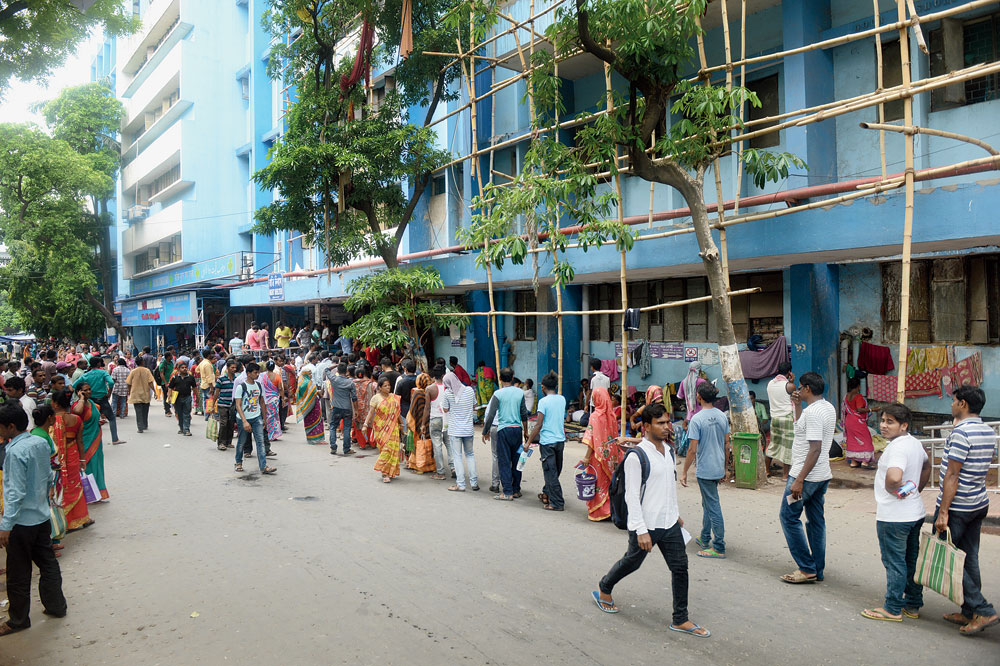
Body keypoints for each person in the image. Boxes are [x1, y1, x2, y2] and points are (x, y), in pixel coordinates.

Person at [593, 403, 709, 638]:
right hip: (646, 525)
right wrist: (641, 530)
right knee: (632, 562)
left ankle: (680, 619)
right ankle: (604, 588)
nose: (667, 427)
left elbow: (667, 486)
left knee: (680, 568)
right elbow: (631, 496)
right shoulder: (637, 457)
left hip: (668, 523)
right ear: (646, 427)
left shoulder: (668, 450)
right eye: (660, 423)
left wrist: (674, 513)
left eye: (667, 422)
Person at [932, 385, 998, 635]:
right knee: (969, 558)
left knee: (947, 559)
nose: (951, 404)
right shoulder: (987, 430)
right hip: (978, 502)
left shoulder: (960, 433)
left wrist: (943, 512)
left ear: (963, 405)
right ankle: (969, 611)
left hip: (958, 506)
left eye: (954, 400)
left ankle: (983, 610)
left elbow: (952, 475)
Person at [0, 403, 67, 636]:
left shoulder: (15, 451)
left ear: (10, 426)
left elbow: (15, 492)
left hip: (21, 521)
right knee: (48, 563)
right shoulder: (39, 442)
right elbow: (49, 474)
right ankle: (56, 605)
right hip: (40, 516)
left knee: (18, 573)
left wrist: (5, 525)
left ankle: (18, 620)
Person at [860, 403, 931, 623]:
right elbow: (927, 466)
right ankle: (912, 604)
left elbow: (893, 477)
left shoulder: (898, 447)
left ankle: (892, 607)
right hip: (914, 513)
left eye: (890, 422)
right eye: (882, 420)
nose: (883, 425)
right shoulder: (914, 443)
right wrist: (915, 490)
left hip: (894, 517)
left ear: (904, 425)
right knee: (910, 559)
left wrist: (894, 490)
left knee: (895, 561)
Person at [779, 371, 836, 584]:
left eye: (800, 388)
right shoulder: (826, 408)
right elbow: (803, 429)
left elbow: (815, 448)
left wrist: (799, 479)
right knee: (816, 521)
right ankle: (816, 568)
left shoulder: (814, 413)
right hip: (821, 476)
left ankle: (806, 567)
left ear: (808, 389)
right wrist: (797, 406)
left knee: (788, 517)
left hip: (806, 476)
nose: (798, 391)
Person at [680, 383, 731, 559]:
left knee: (713, 505)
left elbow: (692, 450)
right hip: (717, 466)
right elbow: (726, 444)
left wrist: (684, 471)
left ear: (699, 397)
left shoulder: (697, 419)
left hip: (706, 468)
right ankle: (705, 536)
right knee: (708, 503)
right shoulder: (722, 416)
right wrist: (725, 468)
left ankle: (718, 546)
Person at [482, 368, 529, 501]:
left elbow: (491, 414)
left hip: (503, 429)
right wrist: (525, 431)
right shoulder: (520, 393)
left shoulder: (498, 394)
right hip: (517, 430)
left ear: (500, 379)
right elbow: (524, 413)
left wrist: (485, 431)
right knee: (516, 460)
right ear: (513, 377)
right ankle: (516, 490)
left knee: (504, 461)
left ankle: (507, 491)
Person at [578, 386, 624, 521]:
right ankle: (611, 510)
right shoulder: (612, 416)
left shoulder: (595, 416)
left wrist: (586, 457)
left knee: (598, 484)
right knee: (609, 482)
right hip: (612, 456)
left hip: (598, 456)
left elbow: (591, 439)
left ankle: (600, 511)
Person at [50, 389, 92, 531]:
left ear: (54, 404)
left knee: (59, 487)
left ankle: (63, 521)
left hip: (56, 459)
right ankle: (80, 518)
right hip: (73, 454)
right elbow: (80, 441)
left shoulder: (50, 421)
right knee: (75, 486)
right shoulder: (76, 419)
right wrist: (82, 459)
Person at [528, 372, 566, 511]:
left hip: (547, 442)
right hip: (560, 440)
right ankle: (547, 493)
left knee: (550, 472)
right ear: (555, 386)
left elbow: (538, 424)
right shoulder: (562, 399)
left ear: (543, 387)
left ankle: (557, 503)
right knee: (555, 470)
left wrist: (528, 442)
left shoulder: (543, 402)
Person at [233, 362, 276, 475]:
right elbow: (238, 405)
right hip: (244, 418)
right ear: (248, 373)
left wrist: (265, 418)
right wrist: (244, 421)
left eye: (258, 372)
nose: (257, 375)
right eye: (255, 372)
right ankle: (238, 462)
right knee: (242, 442)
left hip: (256, 418)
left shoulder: (258, 385)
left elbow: (262, 402)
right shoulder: (241, 387)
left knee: (260, 442)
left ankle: (263, 466)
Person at [365, 376, 407, 483]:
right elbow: (371, 412)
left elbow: (397, 413)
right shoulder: (376, 398)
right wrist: (365, 425)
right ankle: (385, 471)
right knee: (385, 450)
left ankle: (386, 472)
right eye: (385, 386)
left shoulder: (393, 397)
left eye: (389, 385)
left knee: (391, 449)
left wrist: (401, 425)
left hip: (393, 428)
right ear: (379, 387)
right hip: (380, 428)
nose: (388, 387)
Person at [442, 371, 478, 492]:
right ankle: (474, 483)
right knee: (470, 455)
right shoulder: (469, 390)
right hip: (468, 429)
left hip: (455, 430)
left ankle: (461, 484)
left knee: (457, 457)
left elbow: (445, 409)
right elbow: (474, 406)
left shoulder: (447, 393)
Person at [765, 362, 796, 479]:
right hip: (787, 418)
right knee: (788, 447)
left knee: (773, 444)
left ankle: (767, 470)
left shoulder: (770, 384)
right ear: (789, 372)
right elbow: (793, 398)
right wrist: (791, 382)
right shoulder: (789, 386)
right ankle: (785, 474)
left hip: (775, 418)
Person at [323, 361, 356, 456]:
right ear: (346, 371)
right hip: (347, 408)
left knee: (333, 426)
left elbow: (326, 370)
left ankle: (333, 446)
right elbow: (354, 398)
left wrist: (336, 365)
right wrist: (356, 410)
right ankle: (346, 448)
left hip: (336, 407)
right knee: (347, 428)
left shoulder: (334, 379)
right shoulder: (350, 382)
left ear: (337, 370)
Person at [405, 373, 436, 474]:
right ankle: (431, 466)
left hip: (419, 422)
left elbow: (413, 409)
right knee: (428, 443)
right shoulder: (432, 392)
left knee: (419, 443)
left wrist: (409, 421)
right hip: (430, 421)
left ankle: (420, 466)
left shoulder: (417, 393)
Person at [842, 376, 875, 469]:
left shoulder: (846, 396)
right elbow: (859, 409)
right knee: (866, 439)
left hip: (849, 420)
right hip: (857, 421)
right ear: (858, 386)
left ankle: (854, 461)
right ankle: (865, 461)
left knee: (852, 439)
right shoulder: (858, 396)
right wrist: (872, 409)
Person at [425, 366, 450, 480]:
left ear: (433, 376)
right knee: (449, 444)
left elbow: (427, 408)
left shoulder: (430, 389)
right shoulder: (448, 388)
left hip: (435, 419)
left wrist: (422, 424)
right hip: (447, 419)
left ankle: (440, 472)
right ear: (444, 375)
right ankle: (454, 467)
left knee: (437, 445)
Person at [213, 359, 239, 451]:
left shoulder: (237, 379)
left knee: (231, 423)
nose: (234, 369)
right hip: (222, 404)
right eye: (232, 367)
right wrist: (213, 403)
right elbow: (217, 392)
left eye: (235, 368)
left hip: (232, 405)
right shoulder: (221, 379)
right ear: (227, 368)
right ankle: (221, 442)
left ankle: (228, 441)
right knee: (223, 423)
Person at [125, 357, 156, 434]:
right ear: (142, 362)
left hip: (136, 394)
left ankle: (140, 427)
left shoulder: (133, 371)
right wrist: (155, 391)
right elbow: (150, 382)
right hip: (145, 393)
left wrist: (129, 392)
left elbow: (128, 383)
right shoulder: (147, 371)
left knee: (138, 412)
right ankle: (145, 425)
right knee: (145, 410)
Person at [295, 366, 325, 445]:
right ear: (305, 374)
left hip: (307, 405)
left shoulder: (302, 382)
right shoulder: (308, 383)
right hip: (312, 405)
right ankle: (317, 439)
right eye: (309, 374)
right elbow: (313, 392)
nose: (311, 375)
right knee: (316, 420)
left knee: (310, 420)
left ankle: (312, 439)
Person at [167, 362, 197, 436]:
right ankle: (181, 428)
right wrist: (169, 397)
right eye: (182, 368)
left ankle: (186, 429)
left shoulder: (190, 378)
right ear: (179, 369)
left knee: (186, 413)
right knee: (179, 413)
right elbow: (170, 388)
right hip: (178, 398)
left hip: (187, 397)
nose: (184, 369)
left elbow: (194, 388)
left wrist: (197, 397)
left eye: (185, 367)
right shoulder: (175, 378)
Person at [261, 361, 283, 442]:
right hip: (274, 399)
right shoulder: (277, 376)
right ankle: (273, 434)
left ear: (266, 367)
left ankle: (266, 433)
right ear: (274, 367)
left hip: (265, 399)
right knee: (274, 417)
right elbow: (280, 388)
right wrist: (283, 398)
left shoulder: (262, 376)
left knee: (266, 416)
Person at [197, 351, 217, 422]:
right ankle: (210, 415)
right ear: (209, 355)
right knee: (211, 400)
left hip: (203, 383)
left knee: (205, 400)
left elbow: (197, 370)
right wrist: (211, 387)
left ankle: (206, 415)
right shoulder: (207, 364)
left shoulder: (202, 362)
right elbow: (209, 377)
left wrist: (203, 375)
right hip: (208, 384)